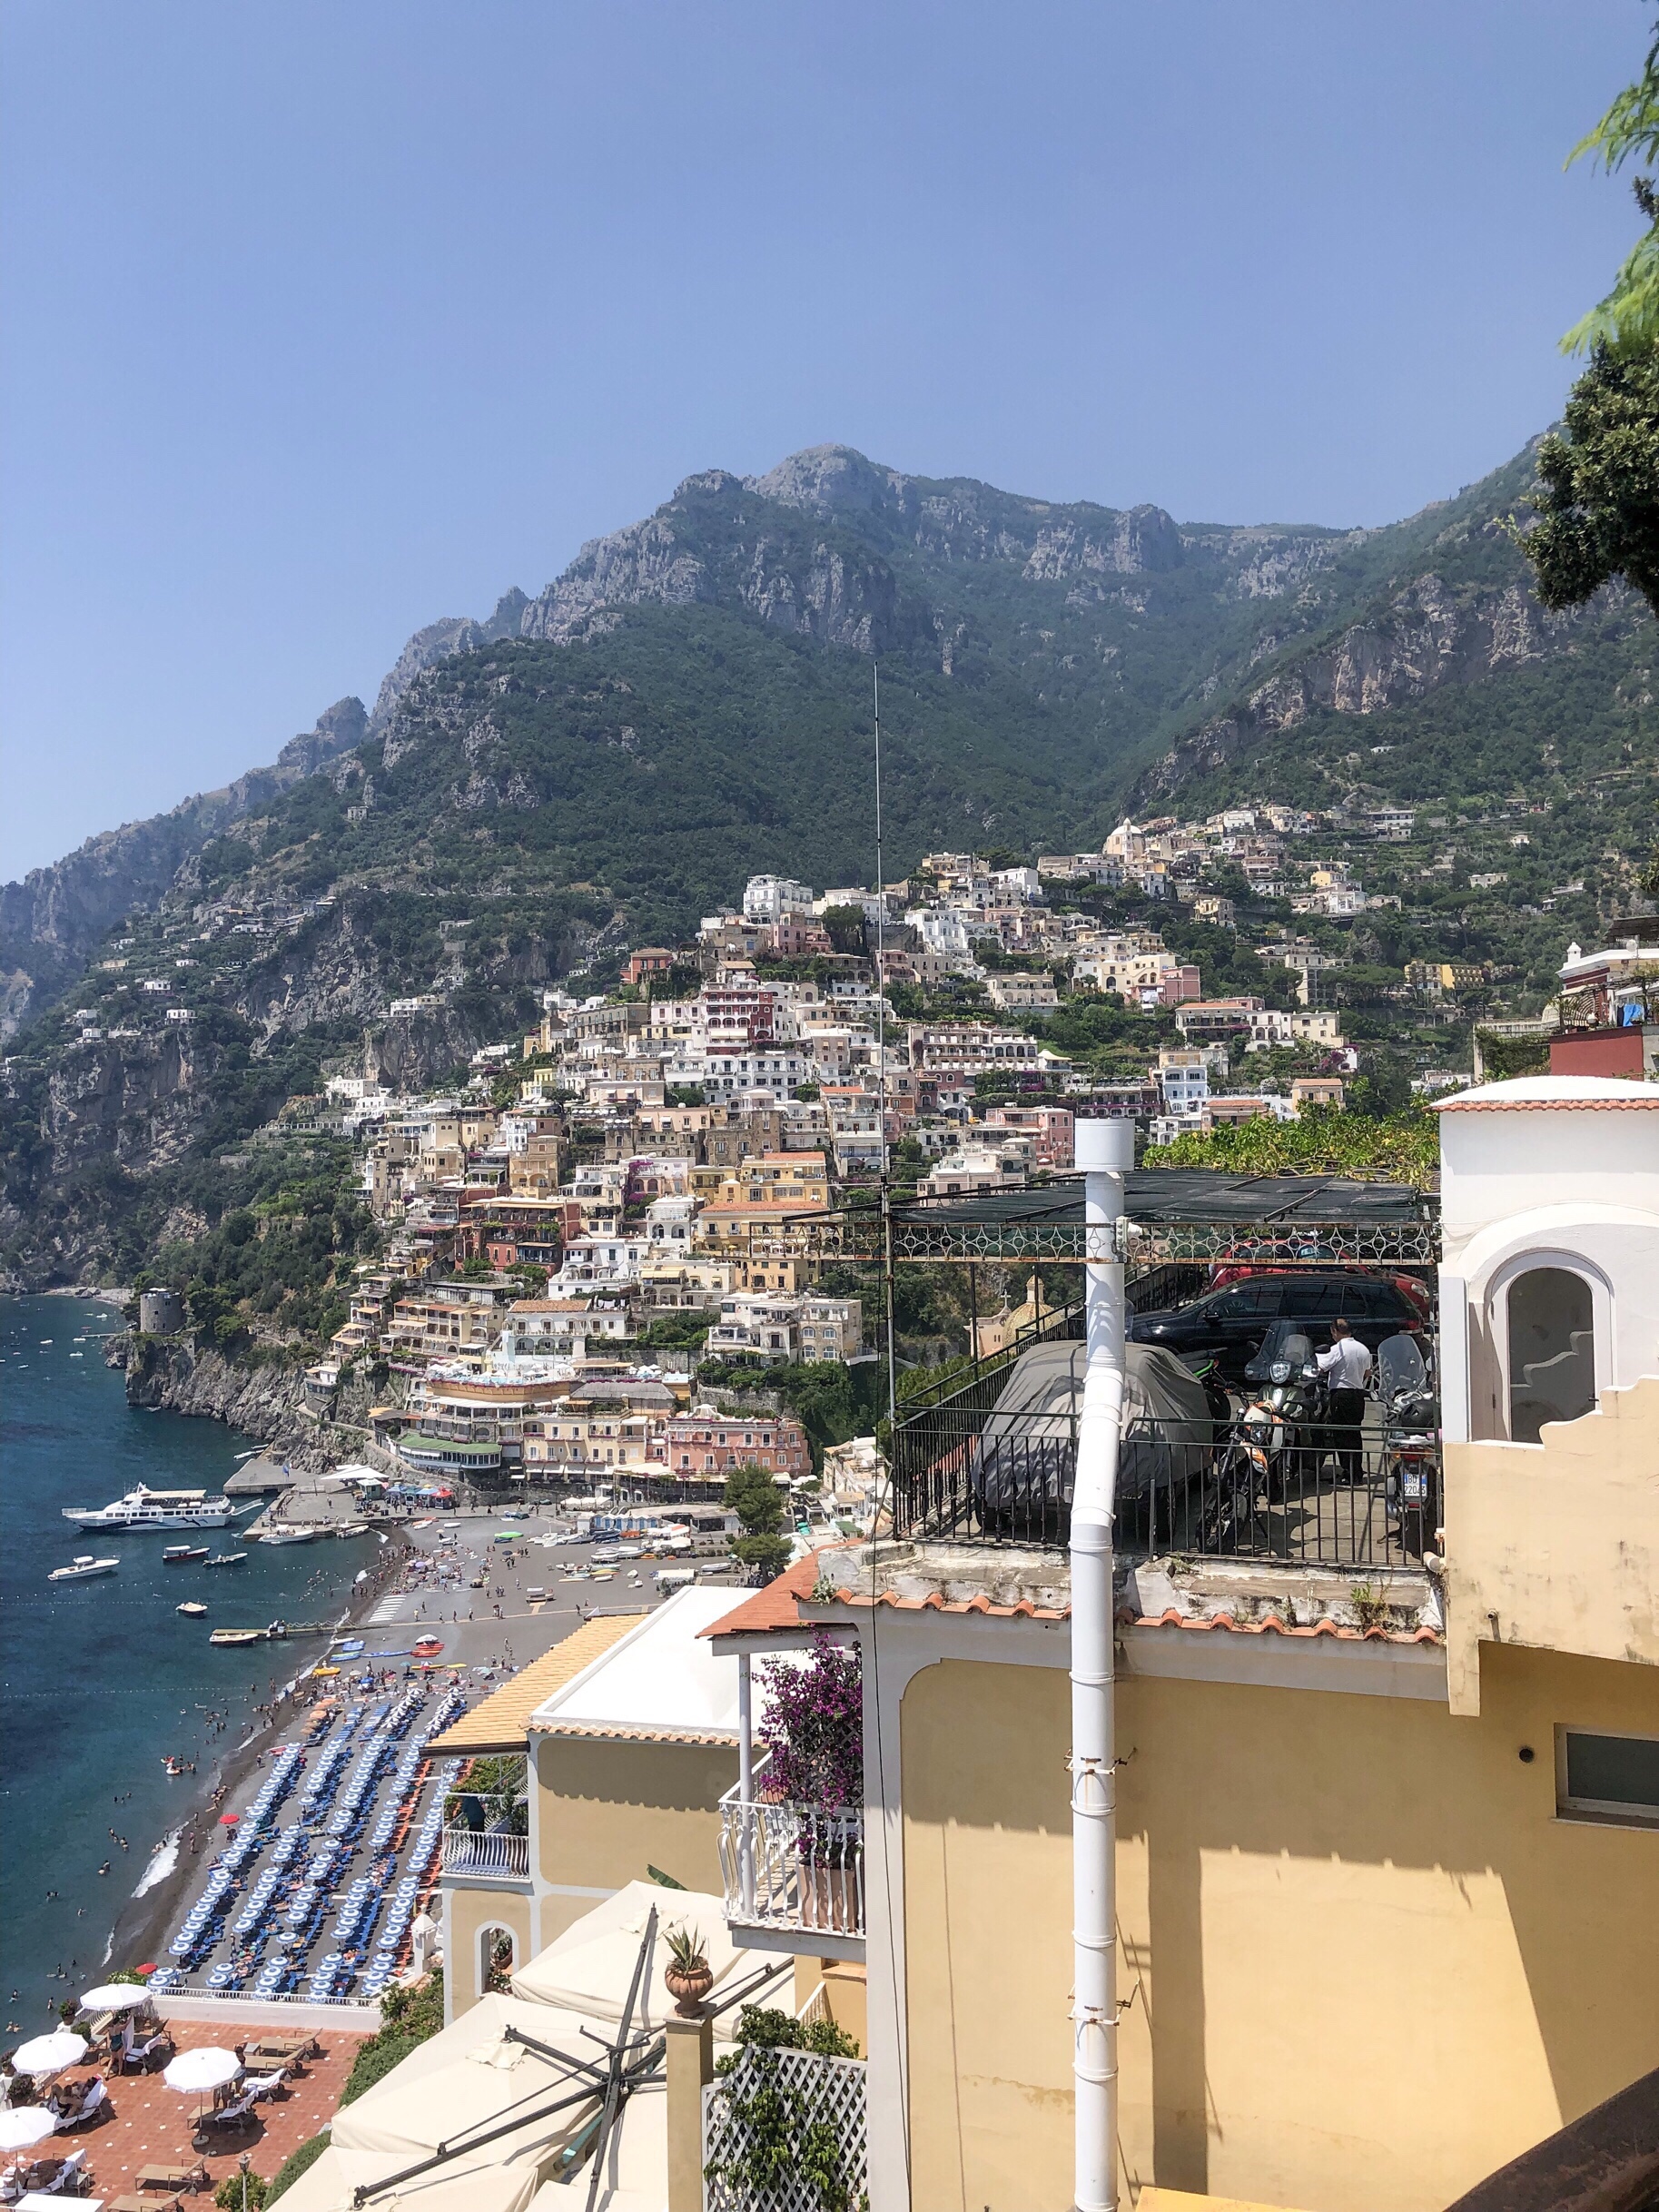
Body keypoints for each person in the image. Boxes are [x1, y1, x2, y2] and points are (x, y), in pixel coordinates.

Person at [1316, 1318, 1373, 1485]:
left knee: (1342, 1435)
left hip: (1341, 1395)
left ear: (1335, 1331)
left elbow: (1321, 1367)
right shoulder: (1363, 1349)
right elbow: (1368, 1373)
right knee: (1354, 1434)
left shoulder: (1337, 1349)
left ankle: (1348, 1473)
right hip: (1358, 1395)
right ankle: (1356, 1471)